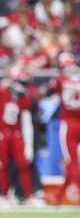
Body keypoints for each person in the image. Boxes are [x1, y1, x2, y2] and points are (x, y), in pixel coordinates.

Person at [47, 53, 80, 205]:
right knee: (73, 162)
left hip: (68, 124)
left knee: (73, 162)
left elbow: (53, 87)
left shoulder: (61, 80)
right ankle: (59, 197)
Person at [0, 70, 36, 204]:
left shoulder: (25, 99)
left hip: (16, 134)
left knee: (23, 164)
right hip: (2, 134)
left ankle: (28, 195)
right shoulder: (3, 92)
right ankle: (4, 196)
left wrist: (29, 144)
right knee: (3, 166)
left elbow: (27, 122)